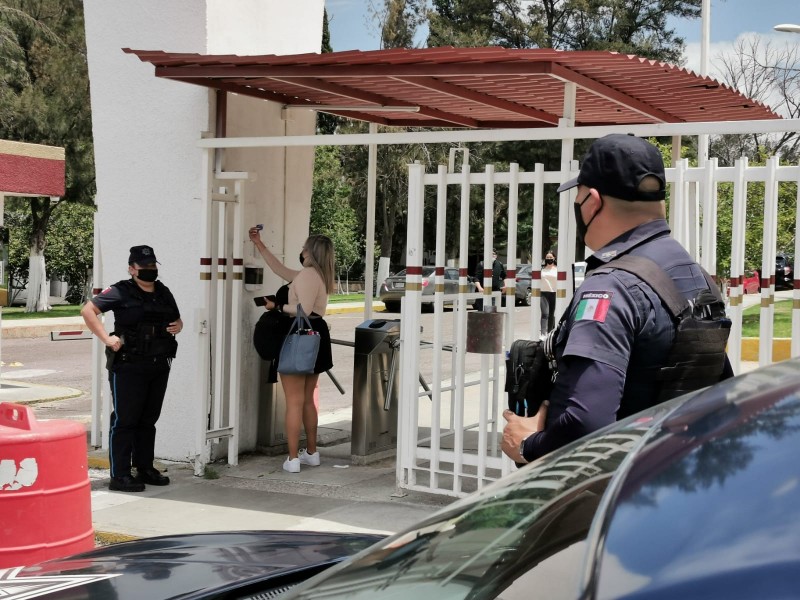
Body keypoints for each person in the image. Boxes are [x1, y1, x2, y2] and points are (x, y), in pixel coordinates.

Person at [502, 134, 732, 465]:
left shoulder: (610, 287)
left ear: (593, 202)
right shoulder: (697, 276)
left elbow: (586, 423)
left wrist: (526, 445)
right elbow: (718, 389)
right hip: (674, 470)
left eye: (578, 197)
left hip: (609, 483)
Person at [81, 245, 182, 492]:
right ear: (132, 269)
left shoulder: (163, 292)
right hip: (129, 365)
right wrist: (107, 338)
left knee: (148, 420)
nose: (150, 269)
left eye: (153, 265)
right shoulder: (120, 291)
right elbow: (88, 310)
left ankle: (144, 468)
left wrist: (178, 325)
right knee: (125, 420)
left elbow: (176, 318)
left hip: (159, 364)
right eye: (144, 266)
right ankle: (120, 475)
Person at [248, 228, 335, 473]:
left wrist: (276, 306)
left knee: (294, 402)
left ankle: (293, 458)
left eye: (305, 248)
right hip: (316, 337)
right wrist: (259, 244)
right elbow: (279, 269)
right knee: (307, 400)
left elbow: (303, 311)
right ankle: (312, 453)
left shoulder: (307, 275)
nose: (302, 251)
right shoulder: (319, 275)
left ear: (311, 252)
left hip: (298, 338)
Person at [540, 252, 557, 333]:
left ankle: (550, 332)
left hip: (554, 293)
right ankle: (543, 333)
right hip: (543, 293)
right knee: (545, 313)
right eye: (547, 257)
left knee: (551, 314)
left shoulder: (558, 269)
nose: (549, 259)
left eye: (551, 257)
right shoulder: (542, 269)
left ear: (554, 258)